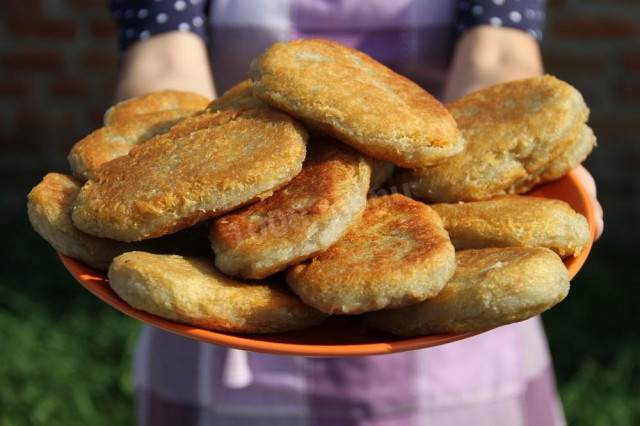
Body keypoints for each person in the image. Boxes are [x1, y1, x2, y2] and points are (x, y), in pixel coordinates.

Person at [108, 1, 604, 425]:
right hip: (220, 319)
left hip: (449, 289)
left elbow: (498, 52)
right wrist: (157, 183)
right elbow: (163, 64)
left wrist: (532, 159)